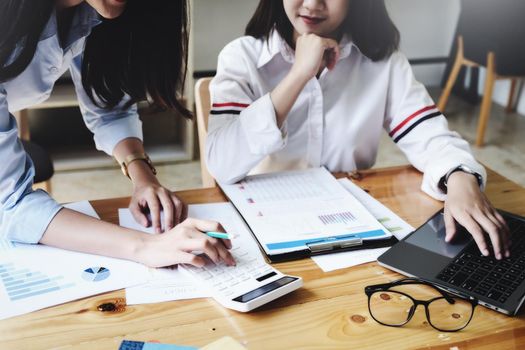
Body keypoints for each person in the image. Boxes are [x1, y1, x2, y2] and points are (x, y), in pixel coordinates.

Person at [206, 0, 510, 259]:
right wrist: (299, 74)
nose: (313, 3)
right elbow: (222, 164)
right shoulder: (242, 57)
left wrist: (459, 176)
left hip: (352, 233)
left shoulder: (384, 63)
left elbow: (429, 134)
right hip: (264, 232)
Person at [0, 0, 234, 267]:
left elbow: (110, 108)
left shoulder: (91, 12)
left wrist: (142, 175)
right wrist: (147, 246)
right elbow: (11, 205)